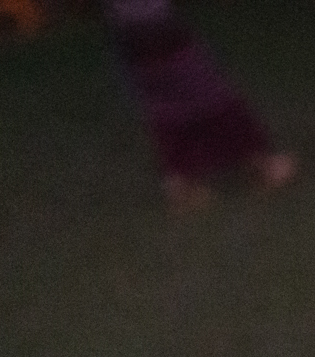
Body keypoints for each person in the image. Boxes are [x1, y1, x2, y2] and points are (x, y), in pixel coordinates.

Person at [98, 0, 295, 211]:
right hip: (156, 30)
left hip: (130, 37)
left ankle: (180, 182)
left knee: (166, 105)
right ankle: (260, 162)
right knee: (209, 94)